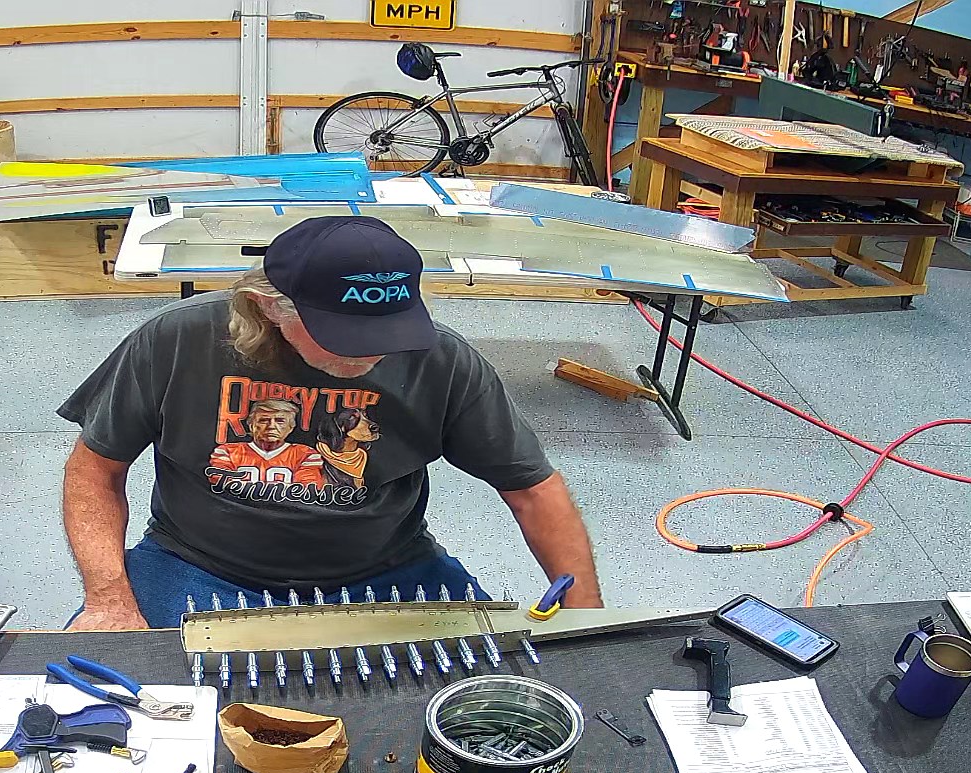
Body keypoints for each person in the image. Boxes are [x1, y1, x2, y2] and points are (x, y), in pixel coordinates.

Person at [58, 215, 602, 630]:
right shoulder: (176, 341)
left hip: (386, 570)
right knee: (122, 697)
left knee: (499, 692)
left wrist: (588, 620)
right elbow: (95, 470)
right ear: (268, 308)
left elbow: (533, 490)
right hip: (199, 564)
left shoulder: (442, 359)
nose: (373, 353)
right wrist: (108, 599)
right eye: (347, 336)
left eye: (389, 332)